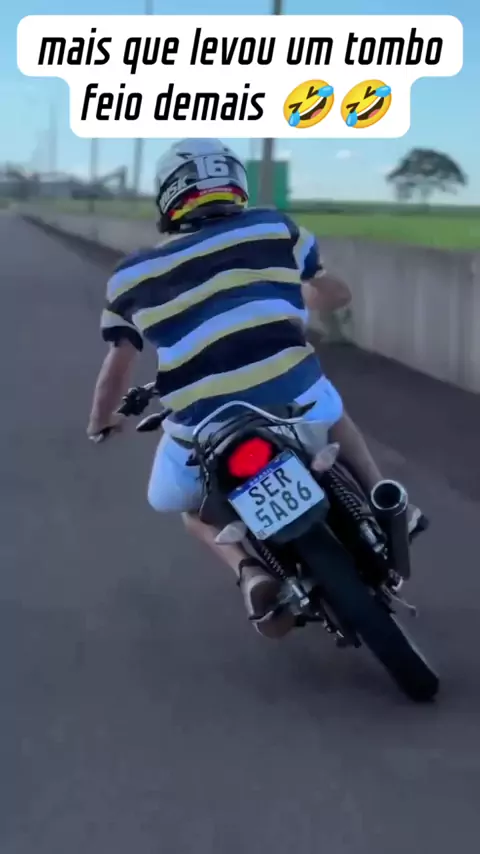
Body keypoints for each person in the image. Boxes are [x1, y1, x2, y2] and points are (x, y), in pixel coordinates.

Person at [87, 138, 422, 639]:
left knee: (184, 503)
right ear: (234, 183)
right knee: (331, 410)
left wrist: (101, 421)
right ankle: (387, 499)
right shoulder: (274, 227)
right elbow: (331, 292)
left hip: (202, 425)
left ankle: (250, 573)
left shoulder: (130, 276)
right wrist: (310, 297)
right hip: (295, 399)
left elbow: (116, 367)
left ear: (170, 196)